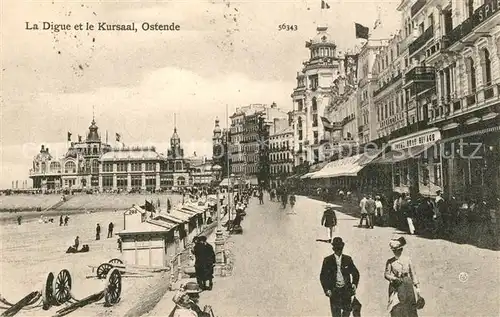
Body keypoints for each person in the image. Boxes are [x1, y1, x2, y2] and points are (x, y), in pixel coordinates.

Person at [320, 237, 360, 317]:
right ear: (333, 248)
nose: (339, 250)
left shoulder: (347, 259)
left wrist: (354, 284)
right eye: (337, 248)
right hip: (334, 291)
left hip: (346, 290)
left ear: (342, 247)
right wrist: (327, 289)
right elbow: (323, 276)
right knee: (336, 314)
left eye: (340, 248)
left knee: (346, 312)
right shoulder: (328, 260)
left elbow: (355, 273)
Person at [385, 237, 421, 317]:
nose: (396, 252)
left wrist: (417, 288)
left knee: (410, 308)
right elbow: (386, 274)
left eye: (398, 250)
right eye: (394, 251)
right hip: (396, 286)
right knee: (396, 307)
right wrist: (393, 278)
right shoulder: (390, 261)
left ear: (401, 250)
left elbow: (413, 274)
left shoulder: (407, 260)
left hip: (407, 285)